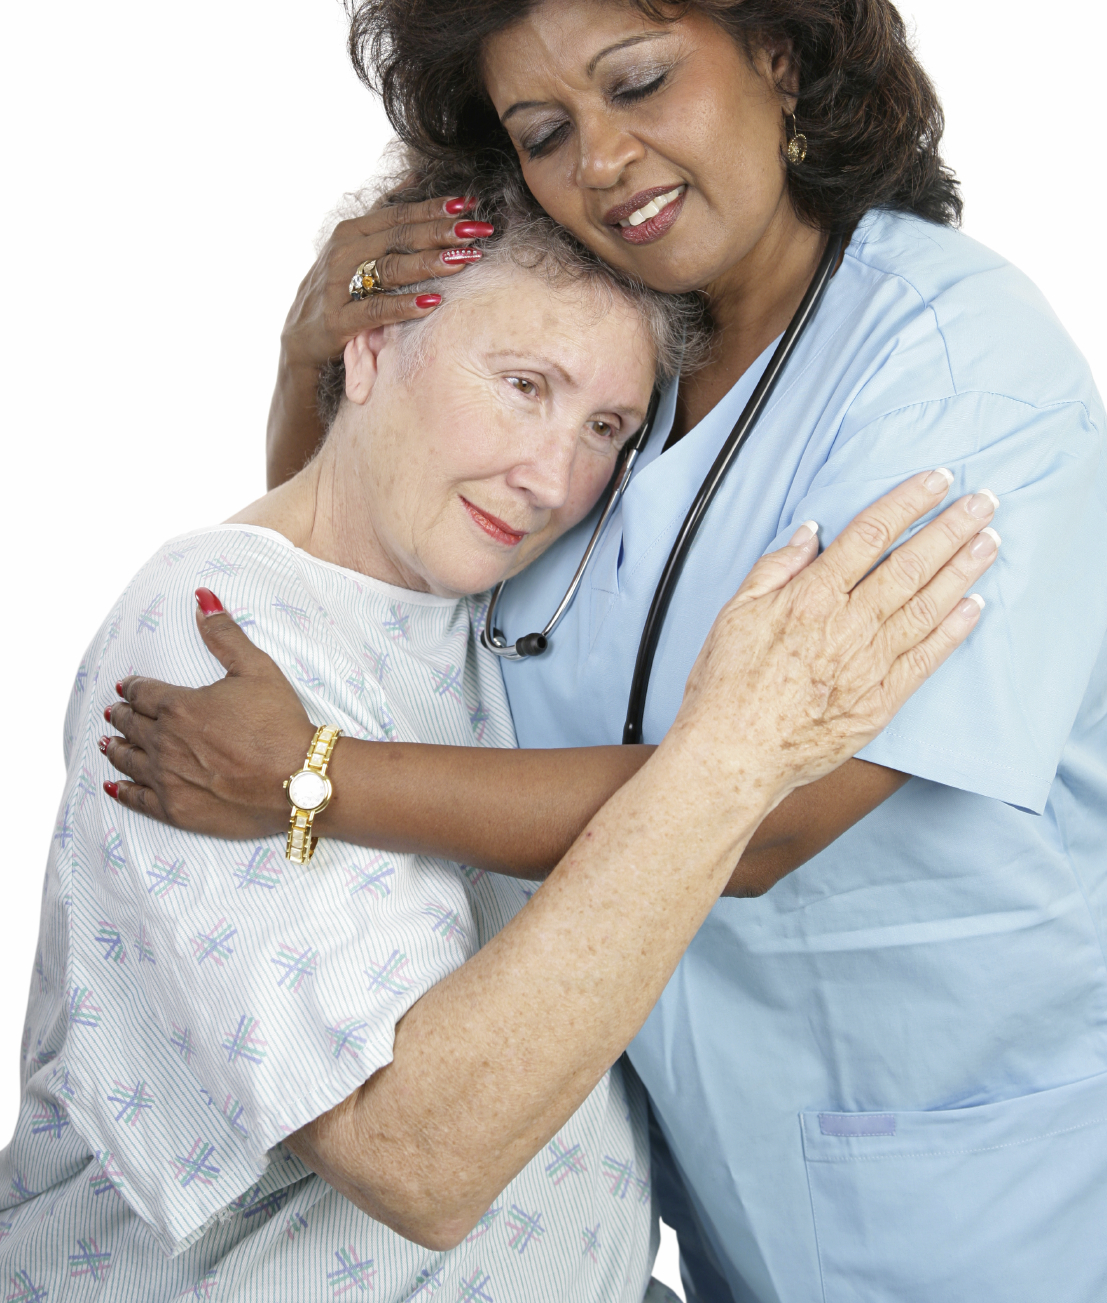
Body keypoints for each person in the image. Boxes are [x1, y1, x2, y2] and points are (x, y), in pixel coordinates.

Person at [103, 0, 1107, 1303]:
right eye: (545, 132)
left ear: (777, 53)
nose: (601, 159)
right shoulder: (612, 388)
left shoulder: (953, 374)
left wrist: (313, 782)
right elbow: (410, 617)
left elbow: (773, 810)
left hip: (980, 1195)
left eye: (640, 80)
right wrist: (312, 365)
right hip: (713, 1200)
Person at [1, 200, 990, 1303]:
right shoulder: (208, 646)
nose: (554, 480)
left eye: (608, 429)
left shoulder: (482, 597)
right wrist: (746, 734)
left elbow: (355, 557)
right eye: (524, 386)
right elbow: (415, 1163)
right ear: (371, 345)